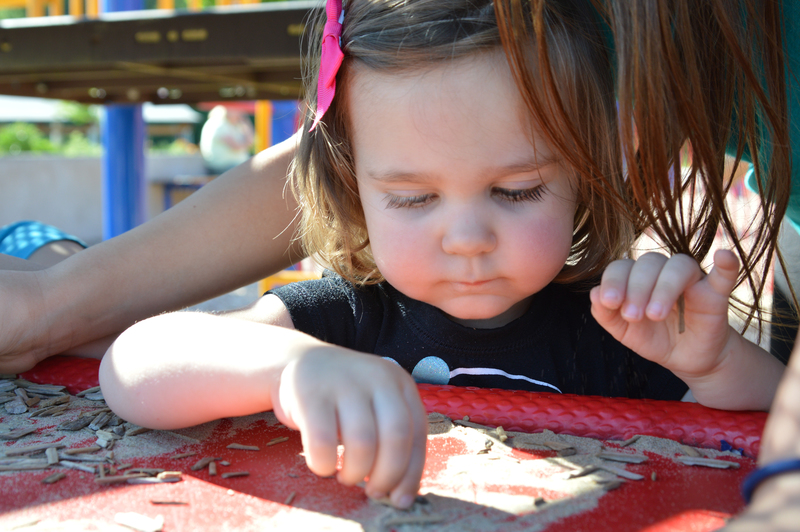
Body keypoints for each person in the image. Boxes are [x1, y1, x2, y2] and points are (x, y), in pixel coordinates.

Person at [98, 0, 783, 510]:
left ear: (588, 173)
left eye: (516, 191)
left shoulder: (614, 329)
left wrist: (713, 362)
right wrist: (287, 370)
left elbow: (776, 424)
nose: (467, 237)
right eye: (414, 199)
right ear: (353, 186)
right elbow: (133, 365)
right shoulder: (345, 321)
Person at [199, 104, 255, 174]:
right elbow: (236, 147)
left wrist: (245, 121)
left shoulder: (235, 125)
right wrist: (246, 143)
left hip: (234, 166)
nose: (241, 112)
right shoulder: (218, 124)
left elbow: (250, 142)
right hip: (221, 167)